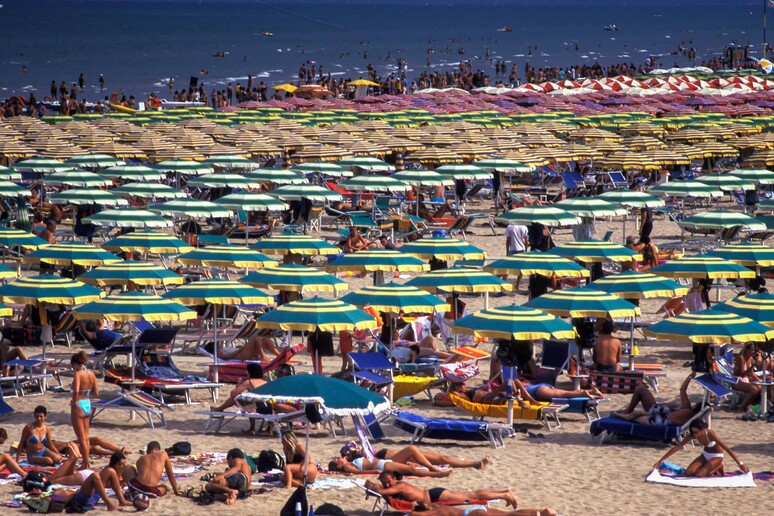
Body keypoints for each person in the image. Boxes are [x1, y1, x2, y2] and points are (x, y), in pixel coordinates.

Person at [365, 470, 519, 509]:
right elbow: (382, 489)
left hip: (435, 497)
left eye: (387, 482)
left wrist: (371, 486)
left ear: (393, 479)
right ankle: (505, 492)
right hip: (434, 494)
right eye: (383, 483)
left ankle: (506, 495)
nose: (386, 485)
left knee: (472, 497)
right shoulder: (394, 486)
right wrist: (373, 485)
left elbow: (383, 492)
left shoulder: (398, 486)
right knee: (471, 494)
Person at [652, 419, 748, 477]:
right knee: (688, 473)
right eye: (693, 432)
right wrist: (661, 460)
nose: (694, 434)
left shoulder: (710, 434)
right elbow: (677, 447)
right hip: (705, 455)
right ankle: (709, 467)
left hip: (717, 456)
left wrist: (740, 464)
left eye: (696, 432)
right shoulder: (692, 436)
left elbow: (727, 448)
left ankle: (719, 466)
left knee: (699, 475)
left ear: (703, 430)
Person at [50, 444, 133, 507]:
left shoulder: (112, 472)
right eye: (122, 464)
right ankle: (73, 458)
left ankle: (73, 458)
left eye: (125, 463)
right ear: (115, 465)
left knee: (55, 479)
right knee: (52, 480)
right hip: (86, 484)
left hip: (87, 488)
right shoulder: (112, 472)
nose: (124, 466)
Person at [612, 372, 701, 425]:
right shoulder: (688, 408)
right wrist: (690, 377)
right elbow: (682, 390)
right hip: (657, 413)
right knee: (640, 387)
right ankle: (627, 411)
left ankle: (619, 415)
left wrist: (642, 413)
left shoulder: (688, 412)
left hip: (659, 420)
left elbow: (664, 415)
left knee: (634, 416)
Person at [345, 445, 490, 471]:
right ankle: (432, 469)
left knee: (443, 458)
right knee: (412, 448)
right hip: (398, 461)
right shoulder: (366, 459)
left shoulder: (369, 452)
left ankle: (474, 464)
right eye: (358, 449)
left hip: (406, 457)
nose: (361, 447)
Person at [71, 351, 97, 468]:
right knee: (86, 437)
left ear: (76, 364)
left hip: (79, 404)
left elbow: (76, 390)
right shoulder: (91, 373)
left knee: (81, 438)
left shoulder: (78, 373)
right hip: (87, 403)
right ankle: (86, 461)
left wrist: (74, 401)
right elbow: (96, 392)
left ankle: (85, 463)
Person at [328, 456, 452, 478]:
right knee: (411, 470)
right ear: (338, 465)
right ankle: (437, 474)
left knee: (413, 463)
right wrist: (375, 471)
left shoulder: (351, 462)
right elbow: (357, 473)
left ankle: (434, 467)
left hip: (385, 462)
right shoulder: (346, 468)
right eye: (337, 459)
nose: (340, 457)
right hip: (383, 465)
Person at [733, 342, 764, 413]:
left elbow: (752, 373)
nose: (753, 352)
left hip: (745, 378)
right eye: (751, 350)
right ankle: (741, 407)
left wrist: (760, 380)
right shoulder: (741, 358)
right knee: (754, 389)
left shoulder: (750, 358)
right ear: (746, 350)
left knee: (760, 386)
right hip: (737, 380)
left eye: (754, 350)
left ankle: (748, 405)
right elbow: (742, 374)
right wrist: (752, 366)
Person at [411, 506, 558, 516]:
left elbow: (417, 514)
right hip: (477, 510)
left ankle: (538, 513)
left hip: (472, 514)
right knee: (507, 514)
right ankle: (539, 512)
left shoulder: (437, 511)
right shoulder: (438, 508)